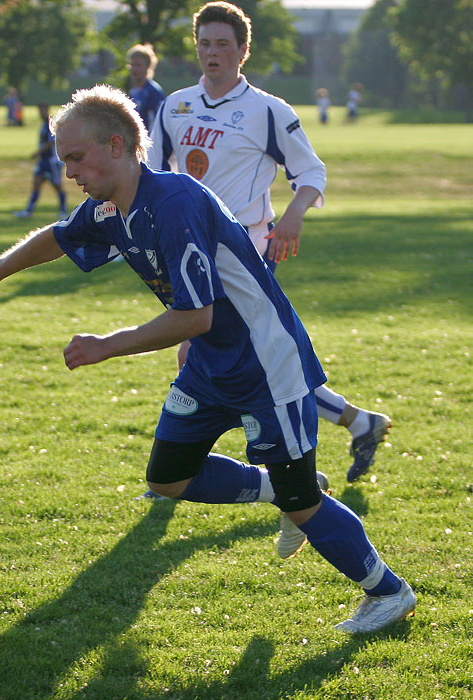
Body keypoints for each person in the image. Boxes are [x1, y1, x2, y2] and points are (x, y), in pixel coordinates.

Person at [0, 84, 416, 634]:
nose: (69, 171)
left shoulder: (174, 204)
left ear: (117, 146)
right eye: (64, 160)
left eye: (76, 157)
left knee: (304, 500)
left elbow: (195, 318)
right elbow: (58, 235)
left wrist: (106, 345)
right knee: (168, 479)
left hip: (265, 363)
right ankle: (271, 491)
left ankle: (388, 591)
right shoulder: (112, 208)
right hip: (212, 366)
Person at [147, 3, 391, 514]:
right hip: (190, 257)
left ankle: (187, 469)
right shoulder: (174, 106)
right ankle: (354, 424)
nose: (212, 53)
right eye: (205, 43)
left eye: (222, 44)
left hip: (247, 255)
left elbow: (312, 172)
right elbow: (153, 178)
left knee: (208, 359)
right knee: (230, 363)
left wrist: (295, 214)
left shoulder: (268, 110)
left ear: (242, 50)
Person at [14, 103, 67, 220]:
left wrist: (38, 152)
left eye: (43, 110)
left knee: (57, 185)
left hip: (51, 161)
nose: (41, 113)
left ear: (47, 110)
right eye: (40, 110)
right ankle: (28, 211)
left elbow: (51, 142)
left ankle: (63, 210)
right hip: (43, 161)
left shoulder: (50, 125)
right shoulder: (43, 125)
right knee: (36, 183)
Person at [126, 44, 165, 133]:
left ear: (148, 67)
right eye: (132, 65)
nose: (134, 69)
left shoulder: (153, 92)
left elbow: (158, 123)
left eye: (139, 65)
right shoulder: (133, 92)